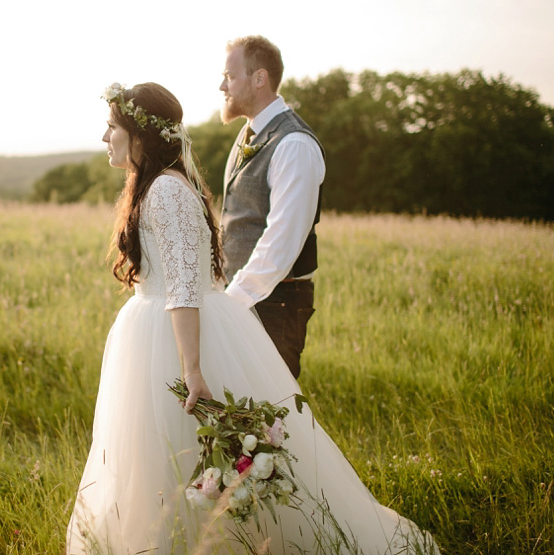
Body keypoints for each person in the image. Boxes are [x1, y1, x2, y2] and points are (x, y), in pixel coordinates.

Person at [66, 82, 437, 555]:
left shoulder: (164, 191)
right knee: (150, 458)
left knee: (177, 452)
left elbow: (183, 285)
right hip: (157, 330)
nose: (105, 137)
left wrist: (193, 369)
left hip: (176, 334)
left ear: (140, 134)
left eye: (112, 127)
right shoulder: (154, 186)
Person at [219, 36, 325, 379]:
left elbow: (280, 244)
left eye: (230, 76)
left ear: (259, 78)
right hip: (246, 302)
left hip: (273, 306)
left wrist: (228, 305)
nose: (222, 85)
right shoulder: (248, 134)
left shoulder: (293, 144)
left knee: (268, 424)